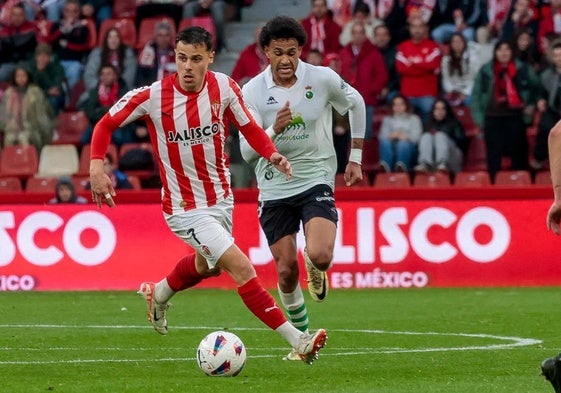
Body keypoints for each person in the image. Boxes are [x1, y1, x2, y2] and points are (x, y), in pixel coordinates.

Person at [88, 26, 327, 364]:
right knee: (241, 267)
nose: (187, 66)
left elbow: (249, 128)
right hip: (184, 207)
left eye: (196, 59)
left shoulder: (224, 87)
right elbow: (105, 124)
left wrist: (271, 152)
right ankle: (298, 341)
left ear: (210, 58)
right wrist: (97, 167)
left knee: (207, 267)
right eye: (181, 58)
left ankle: (158, 293)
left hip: (220, 201)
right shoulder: (154, 96)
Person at [238, 16, 365, 360]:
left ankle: (314, 263)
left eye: (291, 52)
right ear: (265, 52)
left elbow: (356, 103)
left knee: (322, 256)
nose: (285, 60)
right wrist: (273, 131)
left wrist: (355, 156)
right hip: (274, 186)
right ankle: (302, 339)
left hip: (315, 177)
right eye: (277, 52)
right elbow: (247, 153)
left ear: (300, 51)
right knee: (284, 270)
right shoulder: (250, 92)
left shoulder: (321, 78)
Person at [470, 39, 539, 181]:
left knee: (518, 154)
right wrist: (479, 119)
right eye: (500, 49)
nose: (504, 53)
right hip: (492, 117)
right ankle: (494, 185)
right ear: (495, 52)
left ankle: (520, 184)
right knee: (493, 156)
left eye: (507, 49)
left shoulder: (522, 69)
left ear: (512, 52)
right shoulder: (485, 70)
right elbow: (476, 96)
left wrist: (532, 104)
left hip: (515, 117)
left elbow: (537, 89)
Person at [395, 14, 441, 123]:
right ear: (410, 29)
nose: (417, 30)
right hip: (407, 94)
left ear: (425, 28)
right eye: (414, 27)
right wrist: (423, 66)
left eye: (420, 26)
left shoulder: (434, 47)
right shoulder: (402, 47)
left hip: (427, 94)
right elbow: (401, 69)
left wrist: (412, 64)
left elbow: (433, 65)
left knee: (428, 126)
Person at [0, 65, 55, 151]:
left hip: (31, 129)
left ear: (28, 76)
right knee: (9, 140)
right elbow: (4, 117)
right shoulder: (8, 93)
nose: (20, 79)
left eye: (23, 76)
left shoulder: (35, 92)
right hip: (12, 130)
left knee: (24, 139)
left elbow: (42, 117)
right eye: (18, 76)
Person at [414, 98, 465, 174]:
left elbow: (461, 143)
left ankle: (442, 163)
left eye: (442, 109)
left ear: (447, 111)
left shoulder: (454, 123)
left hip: (452, 157)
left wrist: (442, 138)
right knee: (426, 136)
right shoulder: (428, 124)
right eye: (437, 109)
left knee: (440, 135)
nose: (439, 112)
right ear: (433, 111)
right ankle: (425, 164)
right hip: (433, 158)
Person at [532, 41, 561, 170]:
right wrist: (540, 100)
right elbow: (540, 93)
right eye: (556, 55)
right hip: (553, 110)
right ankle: (539, 159)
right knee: (545, 126)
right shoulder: (546, 75)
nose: (559, 58)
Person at [377, 94, 423, 172]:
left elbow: (417, 138)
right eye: (395, 104)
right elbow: (382, 136)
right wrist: (392, 135)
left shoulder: (414, 118)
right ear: (392, 106)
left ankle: (401, 167)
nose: (398, 107)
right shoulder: (387, 119)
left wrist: (405, 137)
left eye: (401, 104)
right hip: (391, 146)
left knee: (403, 144)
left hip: (410, 149)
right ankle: (385, 167)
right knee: (385, 142)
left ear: (406, 105)